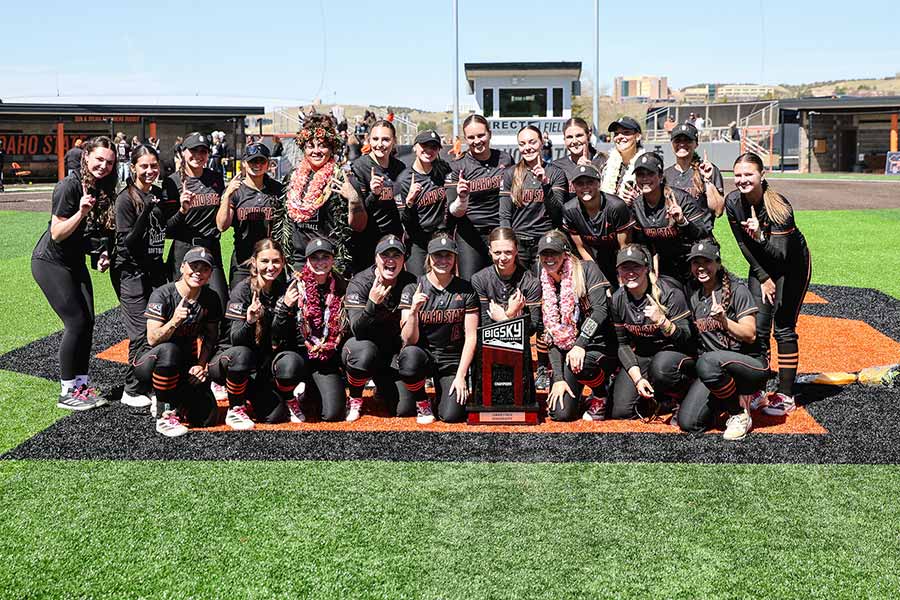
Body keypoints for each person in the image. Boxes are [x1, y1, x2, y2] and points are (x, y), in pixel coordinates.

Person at [32, 136, 117, 410]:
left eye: (109, 162)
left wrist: (102, 253)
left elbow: (95, 233)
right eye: (99, 159)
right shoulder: (68, 186)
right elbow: (57, 233)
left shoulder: (103, 187)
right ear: (86, 156)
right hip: (51, 262)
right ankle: (67, 391)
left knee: (88, 322)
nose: (103, 166)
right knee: (76, 322)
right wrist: (80, 213)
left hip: (75, 262)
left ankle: (81, 386)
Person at [726, 152, 812, 416]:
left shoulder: (779, 207)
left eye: (748, 174)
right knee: (758, 329)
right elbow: (743, 244)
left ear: (762, 175)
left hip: (792, 267)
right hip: (761, 266)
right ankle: (758, 388)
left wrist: (760, 237)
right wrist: (763, 277)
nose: (742, 180)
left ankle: (786, 394)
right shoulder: (733, 202)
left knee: (783, 327)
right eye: (738, 175)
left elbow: (781, 256)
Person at [675, 240, 768, 440]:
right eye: (696, 262)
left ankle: (739, 414)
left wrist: (725, 322)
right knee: (689, 422)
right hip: (716, 370)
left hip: (750, 366)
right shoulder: (693, 293)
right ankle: (726, 399)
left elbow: (750, 334)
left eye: (707, 262)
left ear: (718, 263)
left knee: (707, 361)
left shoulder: (737, 290)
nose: (701, 268)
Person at [208, 239, 304, 427]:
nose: (271, 267)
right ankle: (235, 407)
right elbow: (236, 339)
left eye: (276, 261)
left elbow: (281, 337)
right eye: (265, 261)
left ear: (283, 262)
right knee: (242, 354)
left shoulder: (284, 290)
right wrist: (250, 321)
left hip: (260, 364)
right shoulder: (242, 290)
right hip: (231, 359)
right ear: (254, 262)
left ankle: (283, 395)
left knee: (274, 416)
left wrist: (285, 309)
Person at [136, 247, 222, 437]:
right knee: (169, 351)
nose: (198, 272)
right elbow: (152, 339)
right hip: (150, 362)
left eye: (204, 269)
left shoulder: (211, 298)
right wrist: (174, 321)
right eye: (194, 266)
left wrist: (201, 366)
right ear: (182, 267)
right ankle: (163, 412)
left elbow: (210, 338)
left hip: (185, 363)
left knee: (206, 418)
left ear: (210, 274)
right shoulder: (162, 294)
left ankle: (178, 401)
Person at [398, 234, 479, 424]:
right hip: (423, 355)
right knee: (409, 358)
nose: (443, 260)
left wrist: (461, 376)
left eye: (448, 255)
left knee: (451, 416)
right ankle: (422, 401)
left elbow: (471, 337)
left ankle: (441, 398)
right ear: (429, 258)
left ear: (455, 258)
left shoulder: (466, 289)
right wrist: (413, 312)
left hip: (451, 359)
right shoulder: (413, 288)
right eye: (437, 255)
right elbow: (408, 340)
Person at [537, 231, 617, 422]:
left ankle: (601, 392)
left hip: (599, 346)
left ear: (565, 253)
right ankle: (579, 394)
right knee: (560, 414)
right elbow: (551, 334)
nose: (549, 258)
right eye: (544, 254)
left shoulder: (587, 269)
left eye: (554, 253)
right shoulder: (542, 279)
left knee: (582, 364)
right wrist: (558, 378)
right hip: (569, 351)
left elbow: (600, 311)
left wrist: (580, 344)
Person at [608, 245, 693, 420]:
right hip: (643, 355)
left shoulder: (669, 293)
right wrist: (638, 379)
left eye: (636, 267)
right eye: (625, 268)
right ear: (618, 271)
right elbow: (622, 345)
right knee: (621, 412)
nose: (630, 272)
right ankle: (659, 399)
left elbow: (688, 339)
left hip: (673, 355)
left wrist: (663, 322)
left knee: (660, 368)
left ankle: (683, 394)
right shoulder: (617, 299)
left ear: (646, 268)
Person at [275, 114, 366, 275]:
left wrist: (354, 201)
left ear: (331, 148)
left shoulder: (343, 179)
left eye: (322, 146)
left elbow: (359, 226)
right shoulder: (292, 178)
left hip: (330, 264)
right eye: (310, 146)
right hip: (298, 264)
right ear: (303, 148)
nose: (316, 151)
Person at [113, 144, 168, 408]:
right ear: (133, 167)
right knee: (139, 333)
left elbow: (165, 230)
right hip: (131, 273)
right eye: (143, 166)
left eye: (153, 166)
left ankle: (151, 384)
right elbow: (128, 243)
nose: (149, 170)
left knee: (157, 329)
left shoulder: (156, 194)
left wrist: (181, 210)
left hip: (155, 271)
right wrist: (145, 210)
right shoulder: (125, 199)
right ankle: (132, 389)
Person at [342, 234, 418, 421]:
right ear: (376, 258)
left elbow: (408, 334)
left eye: (396, 255)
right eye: (385, 255)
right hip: (363, 347)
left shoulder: (410, 281)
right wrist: (372, 304)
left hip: (392, 353)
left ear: (403, 259)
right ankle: (355, 397)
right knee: (364, 352)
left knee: (404, 409)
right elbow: (357, 330)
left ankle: (382, 387)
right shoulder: (360, 282)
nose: (390, 260)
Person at [272, 238, 348, 421]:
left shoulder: (341, 286)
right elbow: (275, 333)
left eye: (325, 257)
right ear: (307, 260)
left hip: (325, 357)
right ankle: (288, 397)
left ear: (333, 260)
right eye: (315, 257)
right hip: (297, 354)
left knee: (333, 414)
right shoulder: (294, 285)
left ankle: (309, 394)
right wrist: (285, 307)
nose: (320, 262)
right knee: (288, 368)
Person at [162, 132, 229, 313]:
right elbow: (167, 229)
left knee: (220, 304)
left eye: (203, 151)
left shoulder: (215, 178)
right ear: (183, 152)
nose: (198, 156)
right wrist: (182, 210)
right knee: (184, 307)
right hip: (184, 250)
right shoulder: (172, 182)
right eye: (193, 151)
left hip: (211, 248)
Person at [470, 227, 544, 389]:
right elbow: (483, 327)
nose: (502, 258)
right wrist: (511, 314)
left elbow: (531, 328)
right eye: (497, 253)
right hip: (487, 351)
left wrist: (502, 317)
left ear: (516, 250)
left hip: (518, 353)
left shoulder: (531, 282)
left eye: (508, 252)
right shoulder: (479, 279)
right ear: (490, 251)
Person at [446, 114, 514, 280]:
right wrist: (462, 198)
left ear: (490, 134)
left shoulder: (505, 159)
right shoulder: (457, 166)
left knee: (503, 282)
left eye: (481, 135)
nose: (477, 141)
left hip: (499, 231)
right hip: (470, 235)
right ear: (465, 139)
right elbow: (453, 212)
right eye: (471, 137)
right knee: (471, 283)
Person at [630, 152, 710, 283]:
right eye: (640, 174)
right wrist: (650, 269)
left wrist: (682, 221)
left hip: (692, 263)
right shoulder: (637, 206)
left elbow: (703, 233)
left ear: (660, 176)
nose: (645, 178)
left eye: (650, 174)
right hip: (664, 268)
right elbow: (642, 243)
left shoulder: (681, 199)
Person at [216, 141, 285, 288]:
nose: (257, 165)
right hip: (243, 260)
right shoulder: (236, 191)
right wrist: (227, 196)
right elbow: (222, 226)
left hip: (271, 260)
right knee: (239, 299)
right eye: (253, 161)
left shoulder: (278, 190)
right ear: (244, 163)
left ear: (268, 164)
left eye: (261, 161)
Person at [498, 125, 568, 270]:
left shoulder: (556, 173)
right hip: (519, 244)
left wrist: (545, 185)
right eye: (522, 144)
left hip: (545, 243)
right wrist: (508, 244)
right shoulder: (510, 173)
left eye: (532, 142)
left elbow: (557, 213)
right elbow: (505, 215)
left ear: (542, 143)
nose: (527, 148)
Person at [561, 164, 632, 288]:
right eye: (580, 183)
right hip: (595, 255)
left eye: (590, 182)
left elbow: (624, 246)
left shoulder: (616, 206)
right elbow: (581, 247)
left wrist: (622, 275)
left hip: (618, 253)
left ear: (599, 183)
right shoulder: (569, 210)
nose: (585, 187)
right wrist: (598, 276)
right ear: (574, 186)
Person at [348, 119, 405, 274]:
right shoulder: (359, 167)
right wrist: (374, 194)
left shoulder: (400, 167)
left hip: (393, 240)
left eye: (385, 139)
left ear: (394, 141)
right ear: (368, 140)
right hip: (368, 240)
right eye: (375, 139)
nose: (380, 144)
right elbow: (358, 214)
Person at [394, 130, 452, 276]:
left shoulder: (443, 169)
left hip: (441, 235)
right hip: (417, 241)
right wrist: (409, 202)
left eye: (434, 147)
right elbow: (403, 221)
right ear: (415, 147)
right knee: (418, 282)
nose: (429, 150)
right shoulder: (404, 180)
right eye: (424, 145)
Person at [663, 122, 725, 219]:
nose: (682, 144)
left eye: (687, 140)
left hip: (700, 228)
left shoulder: (708, 170)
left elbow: (718, 211)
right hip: (674, 228)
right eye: (677, 140)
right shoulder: (665, 175)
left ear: (696, 144)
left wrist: (707, 180)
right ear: (672, 144)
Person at [552, 117, 608, 201]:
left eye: (579, 135)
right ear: (564, 140)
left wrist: (590, 170)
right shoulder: (557, 166)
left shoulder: (604, 162)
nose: (574, 141)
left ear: (588, 136)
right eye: (569, 137)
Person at [600, 117, 646, 201]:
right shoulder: (605, 165)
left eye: (626, 132)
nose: (620, 137)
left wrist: (638, 200)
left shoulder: (646, 166)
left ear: (638, 136)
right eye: (616, 133)